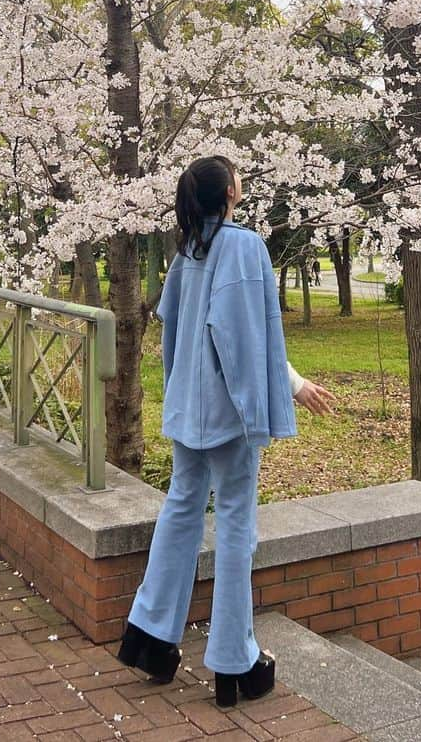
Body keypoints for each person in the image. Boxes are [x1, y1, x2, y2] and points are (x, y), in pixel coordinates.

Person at [117, 156, 337, 708]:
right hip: (227, 414)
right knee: (237, 524)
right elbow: (242, 340)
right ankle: (234, 662)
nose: (243, 180)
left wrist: (178, 398)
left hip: (189, 411)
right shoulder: (241, 246)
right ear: (229, 192)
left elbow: (176, 335)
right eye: (237, 175)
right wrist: (278, 395)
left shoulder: (188, 250)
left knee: (181, 510)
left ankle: (150, 637)